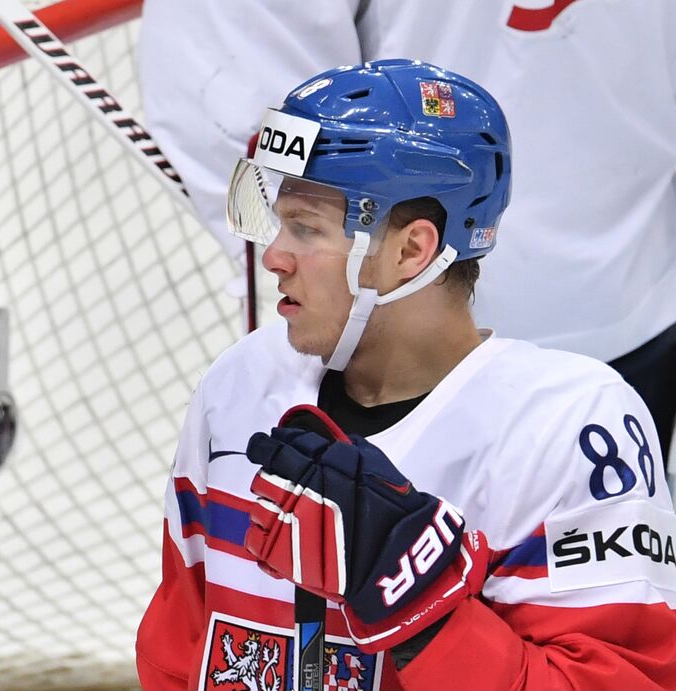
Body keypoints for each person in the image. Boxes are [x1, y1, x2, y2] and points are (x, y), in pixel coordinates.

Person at [22, 61, 676, 691]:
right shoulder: (243, 388)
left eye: (307, 227)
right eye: (275, 217)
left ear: (412, 249)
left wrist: (427, 606)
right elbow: (192, 678)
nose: (274, 255)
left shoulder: (568, 426)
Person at [139, 0, 676, 466]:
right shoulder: (235, 391)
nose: (275, 256)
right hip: (621, 298)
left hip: (630, 312)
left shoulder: (596, 408)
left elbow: (233, 95)